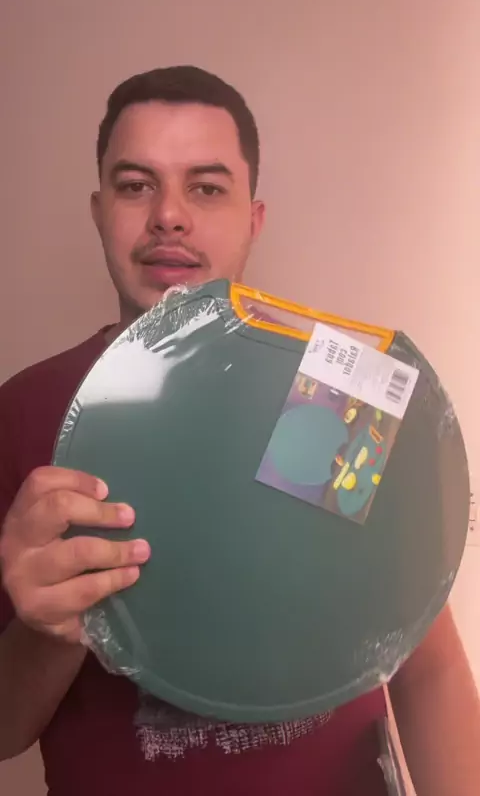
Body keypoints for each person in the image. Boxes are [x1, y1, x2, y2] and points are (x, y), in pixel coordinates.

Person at [0, 66, 478, 796]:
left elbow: (428, 666)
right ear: (99, 211)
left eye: (206, 187)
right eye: (136, 185)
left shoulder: (339, 390)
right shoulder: (25, 411)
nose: (169, 215)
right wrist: (49, 628)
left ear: (253, 218)